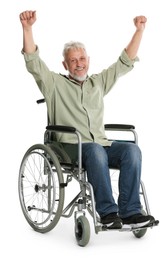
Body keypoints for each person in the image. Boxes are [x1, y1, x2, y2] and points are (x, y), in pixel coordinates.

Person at [19, 10, 155, 229]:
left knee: (132, 151)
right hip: (69, 147)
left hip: (99, 145)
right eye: (73, 60)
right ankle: (108, 214)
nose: (78, 63)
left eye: (82, 59)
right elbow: (33, 63)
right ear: (65, 65)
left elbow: (124, 63)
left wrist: (139, 31)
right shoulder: (54, 84)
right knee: (94, 150)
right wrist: (27, 29)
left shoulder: (97, 83)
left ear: (88, 60)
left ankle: (130, 211)